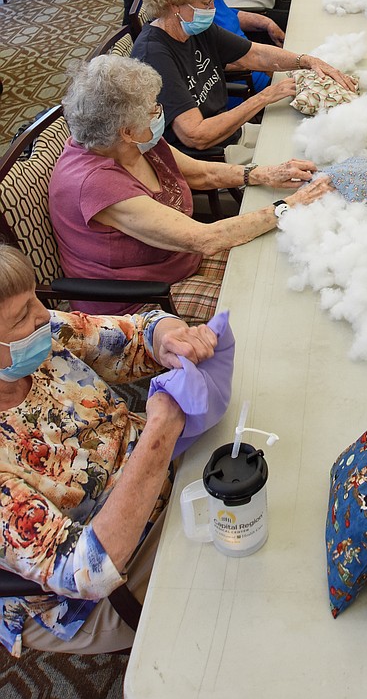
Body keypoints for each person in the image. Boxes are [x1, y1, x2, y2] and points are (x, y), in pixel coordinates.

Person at [0, 244, 221, 656]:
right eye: (20, 318)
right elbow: (85, 570)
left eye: (35, 299)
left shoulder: (40, 335)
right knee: (234, 581)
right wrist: (158, 435)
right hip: (97, 585)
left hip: (155, 471)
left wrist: (170, 338)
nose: (44, 315)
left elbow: (136, 334)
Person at [49, 55, 331, 320]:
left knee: (279, 266)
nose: (160, 113)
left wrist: (263, 174)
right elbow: (205, 239)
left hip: (179, 259)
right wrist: (290, 205)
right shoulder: (96, 183)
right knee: (268, 304)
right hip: (141, 300)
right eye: (153, 109)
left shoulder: (132, 142)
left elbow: (202, 173)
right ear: (126, 130)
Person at [130, 0, 354, 159]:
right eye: (206, 3)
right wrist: (265, 97)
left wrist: (306, 61)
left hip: (232, 132)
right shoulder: (154, 56)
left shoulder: (193, 28)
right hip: (211, 155)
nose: (212, 10)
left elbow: (254, 55)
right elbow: (196, 136)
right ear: (174, 4)